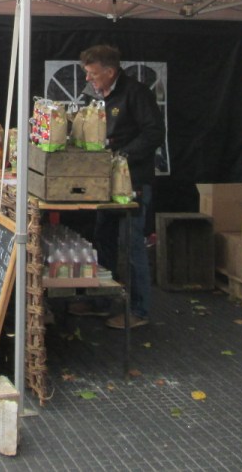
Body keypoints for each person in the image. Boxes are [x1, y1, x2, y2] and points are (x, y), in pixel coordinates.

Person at [77, 44, 164, 330]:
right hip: (106, 181)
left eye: (92, 74)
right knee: (103, 238)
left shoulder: (136, 94)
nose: (89, 79)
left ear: (110, 71)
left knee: (131, 244)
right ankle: (101, 301)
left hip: (133, 182)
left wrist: (124, 155)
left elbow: (154, 133)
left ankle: (138, 310)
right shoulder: (97, 94)